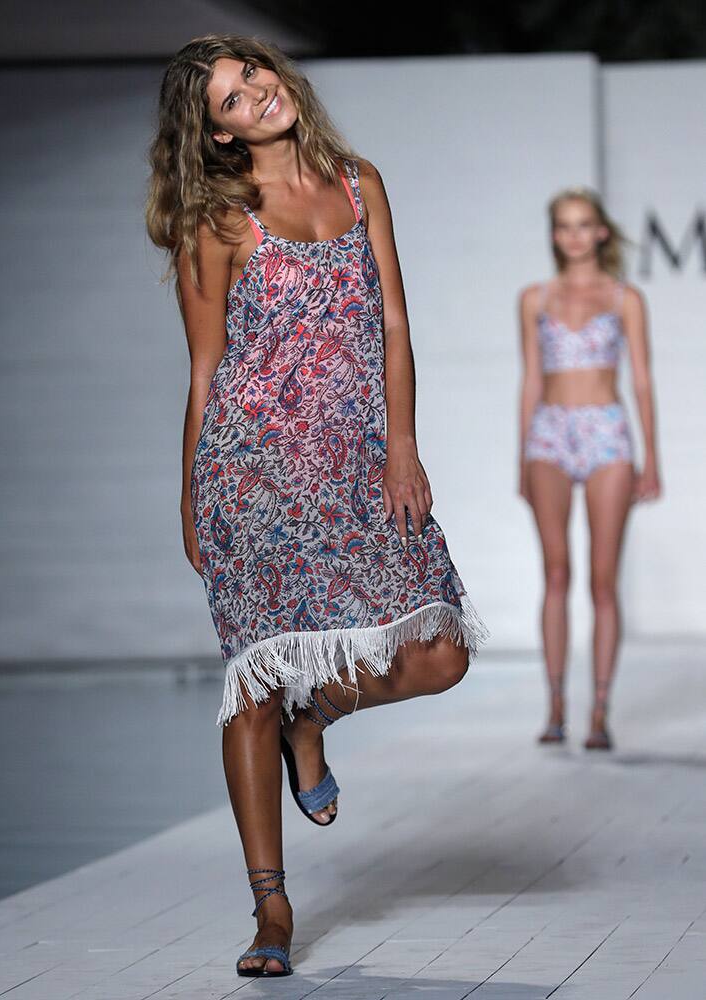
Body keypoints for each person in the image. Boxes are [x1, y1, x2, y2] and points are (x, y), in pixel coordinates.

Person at [146, 34, 487, 978]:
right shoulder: (218, 221)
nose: (252, 94)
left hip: (358, 468)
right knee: (253, 682)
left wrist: (405, 447)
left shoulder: (359, 180)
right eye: (228, 99)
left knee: (439, 653)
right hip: (250, 477)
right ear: (215, 136)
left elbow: (393, 322)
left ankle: (317, 719)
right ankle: (271, 908)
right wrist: (191, 496)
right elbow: (207, 367)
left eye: (250, 72)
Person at [518, 186, 661, 752]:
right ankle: (555, 707)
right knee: (556, 573)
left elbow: (643, 381)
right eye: (564, 225)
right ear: (554, 234)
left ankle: (599, 711)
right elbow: (530, 380)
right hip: (550, 432)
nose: (574, 234)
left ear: (601, 231)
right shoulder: (535, 298)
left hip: (607, 433)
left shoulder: (626, 298)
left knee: (603, 580)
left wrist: (651, 460)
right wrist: (521, 460)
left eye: (584, 224)